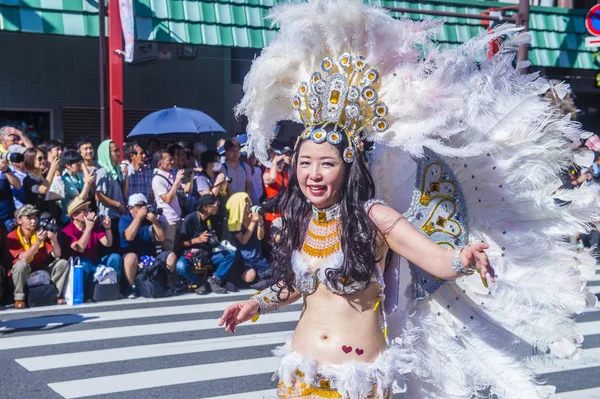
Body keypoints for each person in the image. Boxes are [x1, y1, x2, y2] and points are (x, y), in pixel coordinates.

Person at [219, 2, 597, 397]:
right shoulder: (302, 218)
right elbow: (298, 284)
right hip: (299, 376)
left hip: (358, 381)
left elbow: (433, 259)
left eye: (326, 163)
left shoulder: (375, 217)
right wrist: (255, 305)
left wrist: (462, 258)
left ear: (348, 168)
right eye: (305, 163)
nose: (313, 174)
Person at [7, 205, 69, 309]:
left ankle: (55, 295)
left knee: (62, 263)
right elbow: (23, 258)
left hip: (41, 267)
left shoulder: (40, 231)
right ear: (19, 220)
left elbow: (57, 255)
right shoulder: (12, 236)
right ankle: (19, 298)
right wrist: (37, 243)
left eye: (35, 217)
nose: (33, 221)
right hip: (24, 271)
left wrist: (53, 239)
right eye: (29, 218)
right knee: (21, 265)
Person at [119, 193, 176, 299]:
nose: (143, 209)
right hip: (132, 257)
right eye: (139, 206)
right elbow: (128, 237)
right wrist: (138, 218)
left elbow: (161, 238)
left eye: (144, 206)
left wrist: (155, 222)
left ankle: (166, 284)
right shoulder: (124, 220)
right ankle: (133, 287)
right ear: (131, 208)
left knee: (171, 256)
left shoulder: (149, 219)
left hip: (149, 256)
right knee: (131, 258)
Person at [177, 194, 237, 295]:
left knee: (230, 255)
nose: (216, 206)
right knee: (181, 266)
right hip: (191, 255)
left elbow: (216, 241)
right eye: (213, 204)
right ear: (205, 207)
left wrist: (215, 240)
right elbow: (180, 243)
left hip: (207, 254)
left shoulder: (213, 219)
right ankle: (197, 282)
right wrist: (197, 240)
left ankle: (214, 279)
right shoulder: (189, 219)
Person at [62, 198, 122, 293]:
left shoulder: (94, 226)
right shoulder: (68, 231)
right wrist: (88, 228)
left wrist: (107, 228)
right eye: (84, 210)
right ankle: (85, 292)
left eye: (88, 209)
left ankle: (114, 288)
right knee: (85, 263)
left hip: (95, 262)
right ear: (74, 215)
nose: (88, 213)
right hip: (80, 265)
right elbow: (80, 248)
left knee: (115, 257)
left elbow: (108, 243)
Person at [225, 192, 270, 284]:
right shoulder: (234, 223)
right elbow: (243, 240)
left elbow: (260, 237)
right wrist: (253, 223)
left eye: (249, 202)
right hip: (244, 260)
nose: (249, 205)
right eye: (246, 204)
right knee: (250, 276)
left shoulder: (253, 217)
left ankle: (261, 278)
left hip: (258, 258)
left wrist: (260, 222)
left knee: (275, 274)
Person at [95, 140, 127, 254]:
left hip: (117, 216)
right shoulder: (103, 172)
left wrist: (126, 177)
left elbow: (123, 193)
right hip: (107, 218)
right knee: (110, 252)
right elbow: (99, 195)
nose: (119, 153)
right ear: (106, 153)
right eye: (115, 150)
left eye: (119, 150)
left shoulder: (117, 170)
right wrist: (117, 204)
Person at [151, 150, 184, 252]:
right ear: (160, 164)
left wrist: (191, 176)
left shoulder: (171, 175)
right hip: (168, 221)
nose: (172, 162)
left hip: (178, 218)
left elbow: (185, 189)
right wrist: (176, 181)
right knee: (170, 251)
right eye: (169, 160)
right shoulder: (157, 179)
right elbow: (167, 199)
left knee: (179, 249)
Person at [23, 147, 61, 220]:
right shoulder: (28, 180)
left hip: (54, 216)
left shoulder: (46, 176)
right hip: (39, 219)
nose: (43, 161)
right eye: (40, 159)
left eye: (44, 158)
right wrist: (52, 169)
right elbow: (43, 189)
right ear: (30, 160)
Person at [60, 149, 95, 225]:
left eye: (81, 164)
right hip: (69, 218)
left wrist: (82, 164)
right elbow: (80, 200)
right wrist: (87, 183)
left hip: (81, 215)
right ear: (68, 166)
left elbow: (88, 193)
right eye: (78, 165)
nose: (80, 167)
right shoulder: (65, 179)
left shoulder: (78, 175)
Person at [262, 152, 289, 238]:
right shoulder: (267, 174)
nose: (281, 165)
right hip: (272, 213)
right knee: (272, 240)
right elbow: (272, 179)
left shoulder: (285, 174)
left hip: (283, 212)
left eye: (282, 162)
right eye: (278, 163)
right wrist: (274, 162)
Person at [8, 144, 28, 209]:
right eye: (21, 157)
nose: (25, 158)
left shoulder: (30, 171)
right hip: (19, 212)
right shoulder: (7, 173)